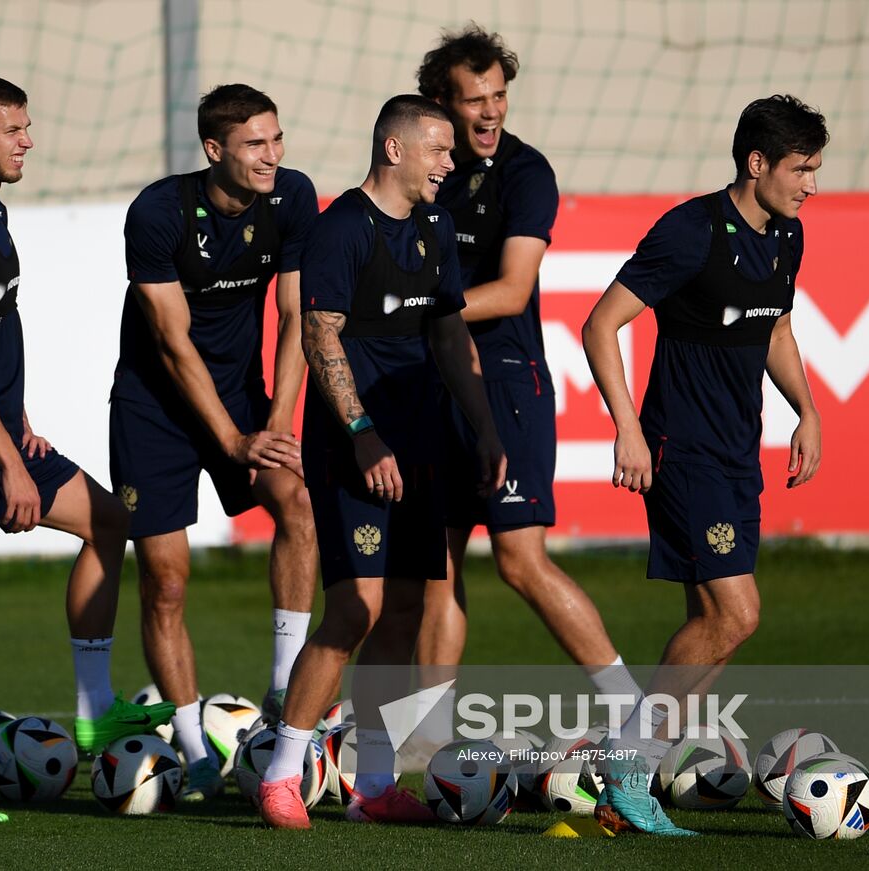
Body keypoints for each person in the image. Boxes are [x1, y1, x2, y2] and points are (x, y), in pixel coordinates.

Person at [0, 74, 172, 825]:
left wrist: (20, 425)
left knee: (110, 521)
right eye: (13, 129)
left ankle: (94, 709)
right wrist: (7, 462)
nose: (28, 140)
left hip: (1, 436)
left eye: (27, 126)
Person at [257, 95, 506, 830]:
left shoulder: (434, 224)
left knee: (402, 610)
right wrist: (362, 432)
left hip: (423, 443)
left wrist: (484, 429)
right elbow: (319, 335)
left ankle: (371, 784)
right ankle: (282, 773)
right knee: (354, 610)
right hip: (355, 447)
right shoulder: (341, 228)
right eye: (438, 149)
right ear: (394, 151)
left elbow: (448, 333)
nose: (449, 162)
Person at [581, 94, 828, 836]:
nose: (812, 184)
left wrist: (807, 409)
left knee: (712, 623)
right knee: (737, 613)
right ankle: (627, 765)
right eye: (801, 168)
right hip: (680, 450)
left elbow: (774, 323)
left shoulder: (787, 235)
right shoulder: (691, 231)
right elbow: (600, 323)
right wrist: (626, 427)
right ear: (756, 164)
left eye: (816, 168)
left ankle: (630, 784)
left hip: (736, 452)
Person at [414, 24, 644, 707]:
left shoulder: (525, 172)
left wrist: (415, 312)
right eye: (474, 99)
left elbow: (514, 289)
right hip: (437, 385)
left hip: (508, 381)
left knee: (519, 560)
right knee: (437, 567)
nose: (490, 111)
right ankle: (425, 735)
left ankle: (631, 705)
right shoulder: (425, 175)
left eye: (499, 95)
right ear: (439, 103)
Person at [111, 84, 319, 801]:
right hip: (153, 410)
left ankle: (284, 685)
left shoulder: (293, 197)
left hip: (244, 398)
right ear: (214, 150)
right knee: (166, 579)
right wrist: (229, 437)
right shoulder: (159, 212)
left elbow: (296, 315)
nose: (272, 155)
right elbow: (170, 341)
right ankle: (196, 749)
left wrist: (278, 424)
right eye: (255, 144)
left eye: (277, 138)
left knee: (296, 500)